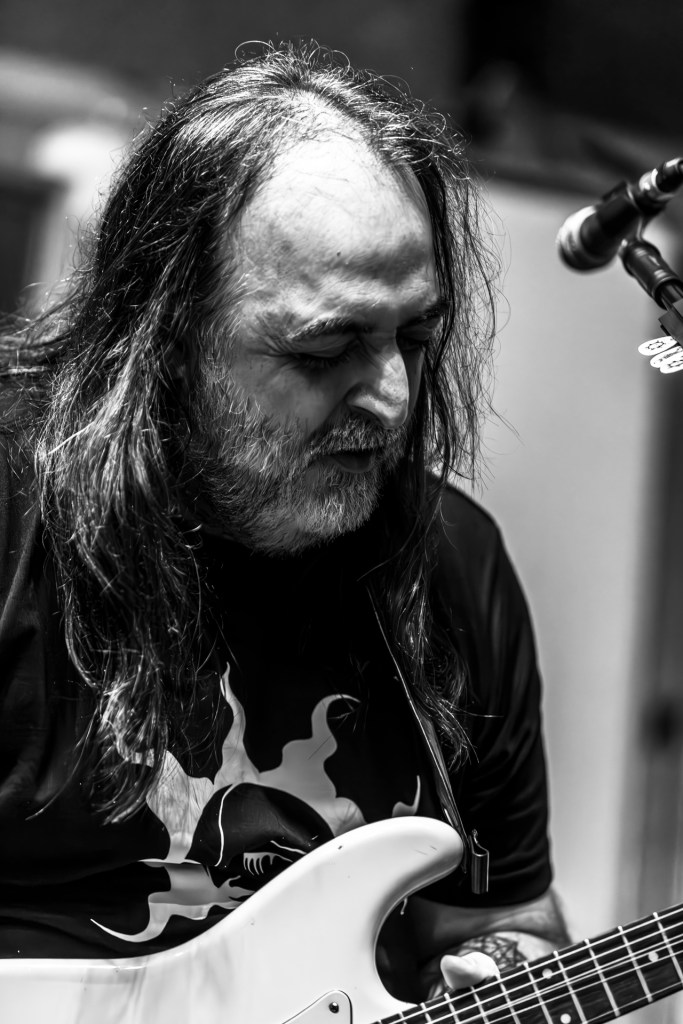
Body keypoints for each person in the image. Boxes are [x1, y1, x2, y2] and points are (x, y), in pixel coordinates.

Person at [0, 39, 568, 1004]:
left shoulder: (453, 570)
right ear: (164, 334)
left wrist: (508, 971)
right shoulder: (19, 509)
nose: (391, 401)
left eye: (415, 337)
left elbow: (497, 917)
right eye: (325, 349)